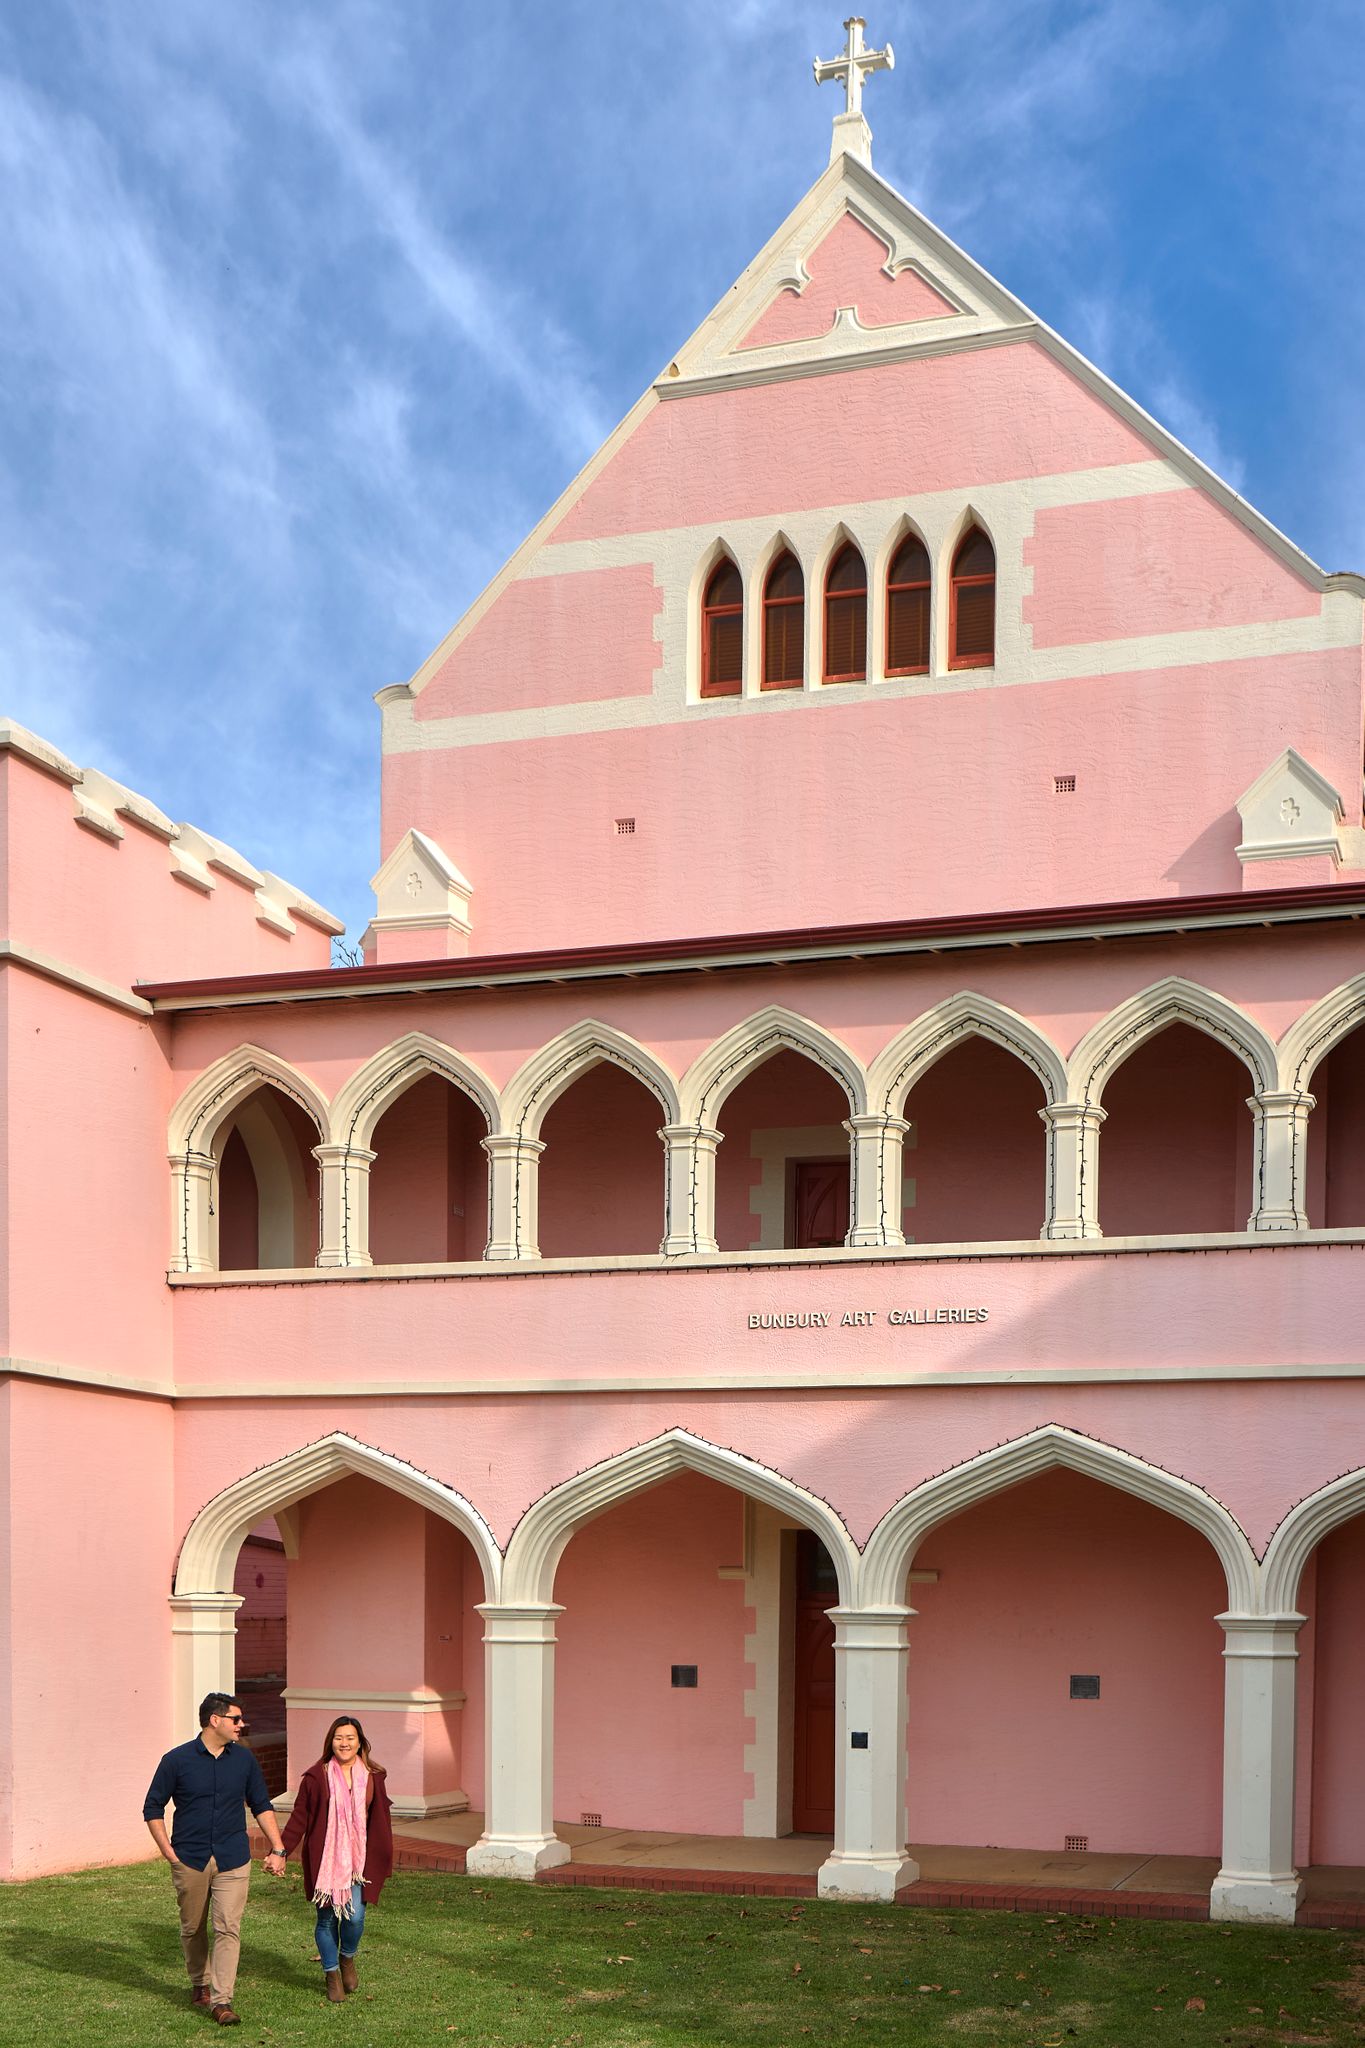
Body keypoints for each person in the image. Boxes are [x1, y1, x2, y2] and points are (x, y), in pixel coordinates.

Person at [143, 1691, 288, 2027]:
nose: (242, 1724)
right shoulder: (176, 1761)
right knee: (193, 1928)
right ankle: (199, 1982)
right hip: (189, 1858)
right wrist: (168, 1852)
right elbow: (152, 1808)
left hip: (233, 1858)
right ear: (215, 1720)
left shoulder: (244, 1760)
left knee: (228, 1929)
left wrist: (278, 1848)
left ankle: (222, 2001)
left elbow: (261, 1804)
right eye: (236, 1719)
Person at [279, 1713, 394, 2002]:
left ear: (360, 1743)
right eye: (338, 1738)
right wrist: (280, 1850)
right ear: (330, 1742)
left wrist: (383, 1853)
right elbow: (299, 1818)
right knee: (327, 1919)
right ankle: (332, 1975)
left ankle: (347, 1957)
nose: (344, 1743)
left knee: (355, 1916)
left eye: (350, 1738)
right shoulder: (317, 1777)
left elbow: (380, 1818)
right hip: (326, 1860)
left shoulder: (373, 1776)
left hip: (359, 1862)